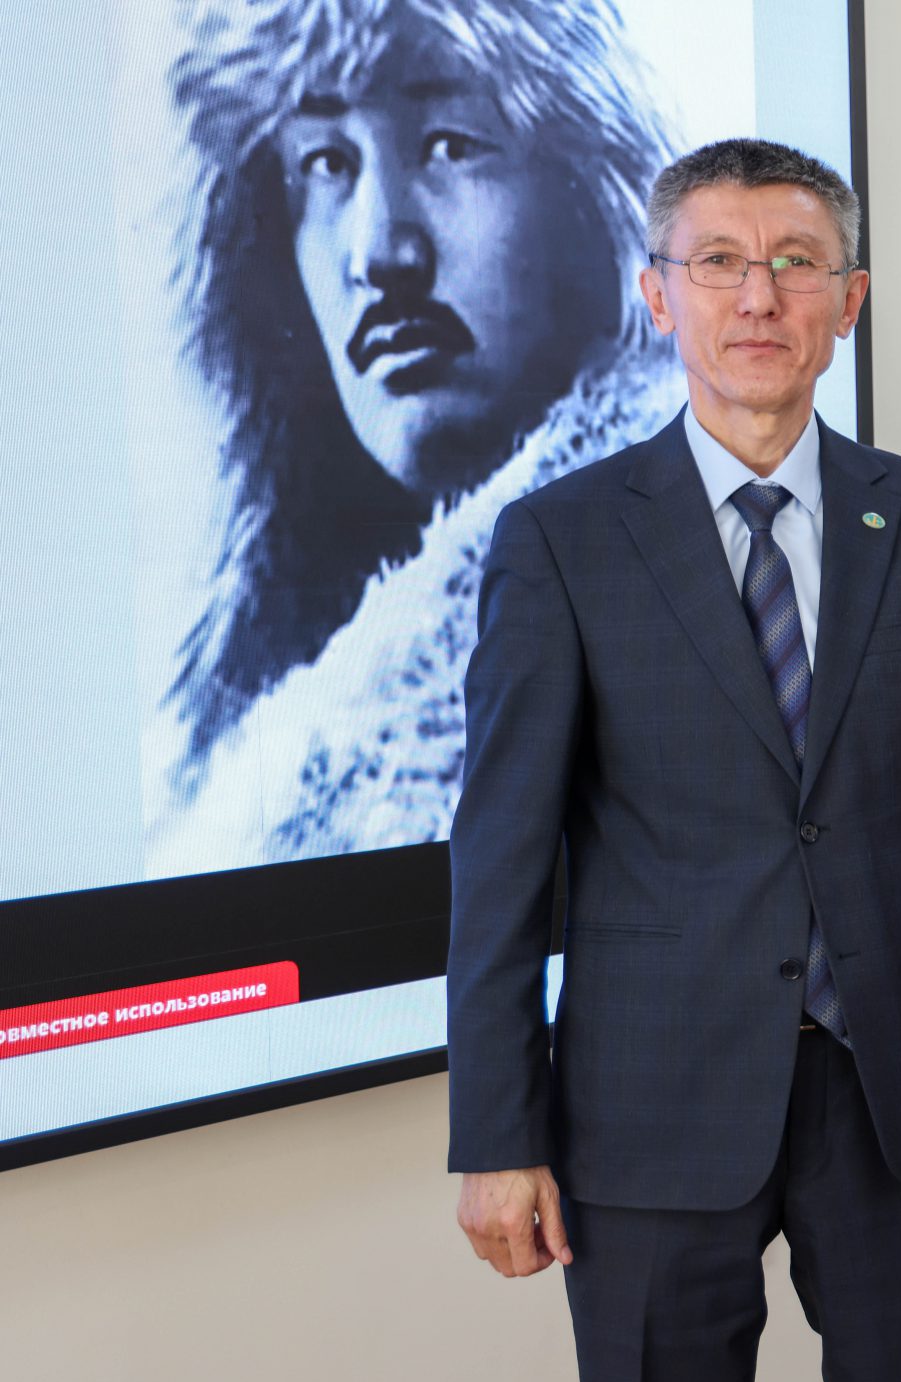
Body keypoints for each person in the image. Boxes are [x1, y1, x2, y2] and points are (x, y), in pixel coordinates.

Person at [446, 139, 901, 1382]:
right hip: (648, 1102)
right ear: (658, 296)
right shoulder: (560, 540)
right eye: (718, 262)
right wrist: (495, 1132)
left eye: (796, 264)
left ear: (850, 299)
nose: (759, 297)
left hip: (892, 1085)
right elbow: (499, 864)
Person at [148, 0, 676, 873]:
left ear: (589, 199)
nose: (380, 251)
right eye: (326, 162)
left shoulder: (697, 594)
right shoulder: (224, 737)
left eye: (449, 145)